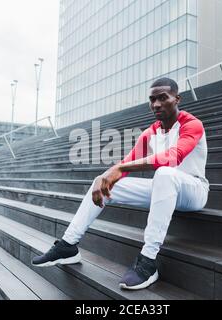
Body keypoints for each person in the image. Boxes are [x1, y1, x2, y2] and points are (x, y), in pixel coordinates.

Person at [32, 78, 209, 291]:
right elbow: (125, 164)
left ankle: (148, 261)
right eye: (152, 100)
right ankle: (68, 245)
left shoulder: (192, 124)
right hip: (165, 189)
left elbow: (173, 157)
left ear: (177, 99)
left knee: (164, 173)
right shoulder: (150, 133)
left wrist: (118, 170)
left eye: (163, 98)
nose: (156, 104)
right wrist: (107, 175)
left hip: (194, 191)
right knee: (104, 182)